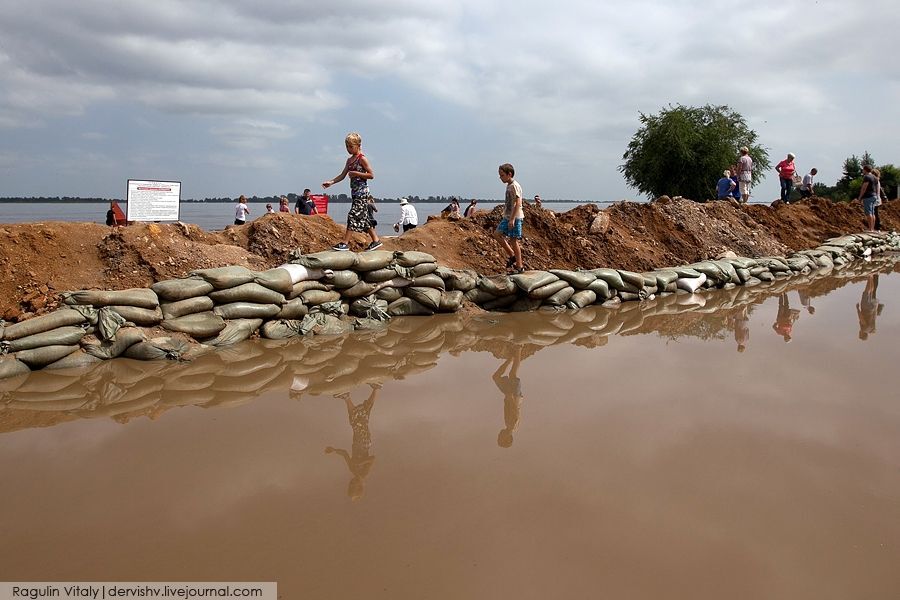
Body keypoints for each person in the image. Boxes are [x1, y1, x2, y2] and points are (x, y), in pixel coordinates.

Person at [322, 132, 382, 251]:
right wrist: (331, 182)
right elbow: (343, 175)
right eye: (347, 147)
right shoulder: (349, 161)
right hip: (354, 193)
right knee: (364, 218)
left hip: (362, 193)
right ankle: (376, 240)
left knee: (352, 214)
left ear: (358, 145)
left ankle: (345, 242)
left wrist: (356, 173)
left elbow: (371, 175)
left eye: (350, 146)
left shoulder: (362, 159)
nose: (348, 149)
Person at [325, 384, 380, 500]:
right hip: (364, 443)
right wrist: (360, 462)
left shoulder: (353, 470)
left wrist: (334, 450)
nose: (351, 482)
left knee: (362, 418)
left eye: (350, 485)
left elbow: (345, 453)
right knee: (357, 421)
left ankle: (375, 389)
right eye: (353, 485)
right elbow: (373, 458)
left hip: (357, 441)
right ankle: (347, 397)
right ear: (359, 486)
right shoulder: (364, 473)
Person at [493, 163, 524, 273]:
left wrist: (512, 219)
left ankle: (519, 266)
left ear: (509, 174)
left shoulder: (515, 186)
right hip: (507, 216)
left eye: (502, 175)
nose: (500, 177)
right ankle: (512, 255)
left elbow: (518, 203)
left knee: (513, 241)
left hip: (515, 217)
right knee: (497, 234)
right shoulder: (509, 185)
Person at [492, 346, 524, 448]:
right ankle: (518, 349)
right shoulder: (511, 426)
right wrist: (510, 398)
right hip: (513, 396)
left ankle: (511, 358)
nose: (499, 435)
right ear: (508, 438)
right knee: (512, 374)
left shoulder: (511, 427)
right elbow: (516, 411)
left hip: (512, 396)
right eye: (500, 438)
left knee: (498, 377)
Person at [856, 274, 884, 340]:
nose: (859, 333)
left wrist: (876, 307)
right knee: (866, 293)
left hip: (873, 308)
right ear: (862, 334)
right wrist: (857, 309)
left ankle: (871, 277)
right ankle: (870, 277)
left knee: (871, 292)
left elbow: (874, 317)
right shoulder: (864, 329)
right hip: (866, 308)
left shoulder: (872, 329)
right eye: (860, 334)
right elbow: (862, 319)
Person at [858, 164, 878, 232]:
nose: (862, 171)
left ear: (865, 170)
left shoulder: (867, 177)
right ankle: (872, 228)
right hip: (874, 196)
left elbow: (864, 188)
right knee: (872, 212)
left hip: (868, 196)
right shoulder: (875, 177)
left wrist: (860, 197)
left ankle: (870, 229)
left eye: (863, 170)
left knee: (868, 212)